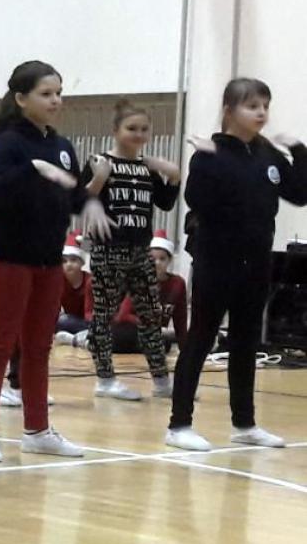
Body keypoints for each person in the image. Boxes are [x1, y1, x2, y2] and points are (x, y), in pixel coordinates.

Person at [166, 77, 307, 452]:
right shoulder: (210, 153)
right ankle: (179, 424)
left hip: (256, 261)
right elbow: (198, 200)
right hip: (217, 259)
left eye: (265, 106)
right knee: (201, 337)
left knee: (246, 341)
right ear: (229, 111)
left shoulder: (267, 154)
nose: (261, 113)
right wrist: (206, 160)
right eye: (252, 106)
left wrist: (299, 151)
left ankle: (244, 423)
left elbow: (299, 193)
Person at [0, 61, 87, 464]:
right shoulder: (9, 143)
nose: (56, 101)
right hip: (9, 258)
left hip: (49, 259)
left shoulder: (63, 146)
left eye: (59, 93)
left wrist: (92, 188)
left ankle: (37, 430)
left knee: (39, 346)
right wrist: (31, 172)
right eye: (46, 94)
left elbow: (72, 200)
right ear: (21, 99)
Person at [80, 99, 181, 401]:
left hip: (141, 250)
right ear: (116, 130)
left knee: (150, 315)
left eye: (144, 129)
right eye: (131, 128)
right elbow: (80, 201)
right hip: (109, 251)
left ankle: (161, 381)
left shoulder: (146, 168)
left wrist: (174, 176)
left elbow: (165, 203)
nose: (138, 134)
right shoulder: (99, 161)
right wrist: (99, 178)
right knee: (104, 315)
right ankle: (105, 379)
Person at [116, 230, 187, 358]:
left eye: (162, 259)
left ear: (170, 260)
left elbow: (180, 321)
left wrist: (185, 350)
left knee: (164, 345)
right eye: (152, 259)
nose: (157, 263)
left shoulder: (178, 284)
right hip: (133, 330)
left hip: (157, 336)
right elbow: (123, 315)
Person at [55, 239, 93, 343]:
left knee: (64, 322)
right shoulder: (59, 282)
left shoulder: (90, 281)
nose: (69, 264)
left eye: (73, 260)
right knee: (60, 322)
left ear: (81, 263)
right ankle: (82, 337)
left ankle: (81, 336)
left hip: (90, 321)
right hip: (72, 321)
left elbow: (90, 312)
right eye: (64, 261)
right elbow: (55, 308)